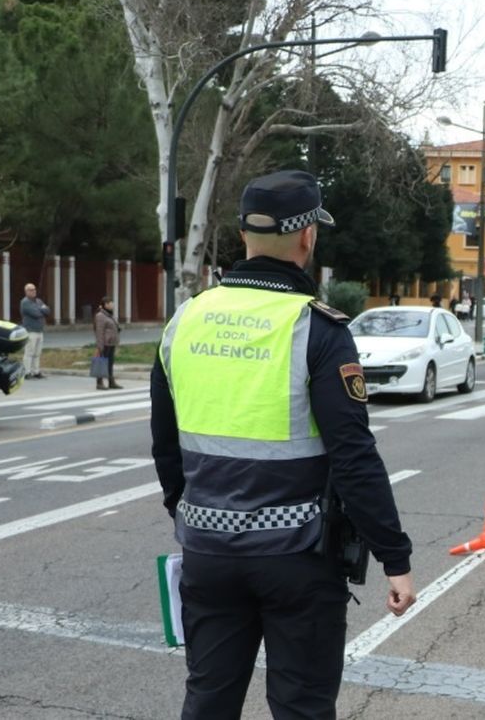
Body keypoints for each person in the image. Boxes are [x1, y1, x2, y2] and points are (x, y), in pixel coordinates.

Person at [149, 169, 416, 718]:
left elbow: (164, 446)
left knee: (207, 702)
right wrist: (396, 557)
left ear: (243, 235)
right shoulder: (316, 328)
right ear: (307, 236)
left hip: (207, 550)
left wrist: (190, 513)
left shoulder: (185, 320)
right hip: (297, 557)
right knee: (302, 707)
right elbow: (353, 456)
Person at [20, 283, 50, 379]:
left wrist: (41, 309)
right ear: (26, 291)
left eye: (34, 289)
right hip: (30, 331)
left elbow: (48, 311)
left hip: (39, 330)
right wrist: (41, 309)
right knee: (29, 352)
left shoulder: (38, 301)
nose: (34, 291)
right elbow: (36, 314)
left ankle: (36, 371)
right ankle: (27, 372)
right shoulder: (25, 302)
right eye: (31, 290)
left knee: (37, 353)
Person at [93, 295, 121, 390]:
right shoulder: (100, 316)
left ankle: (111, 381)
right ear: (105, 304)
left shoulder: (109, 314)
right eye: (110, 303)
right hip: (105, 344)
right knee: (102, 362)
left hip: (111, 343)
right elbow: (99, 331)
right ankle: (99, 382)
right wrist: (100, 346)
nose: (112, 305)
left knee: (110, 363)